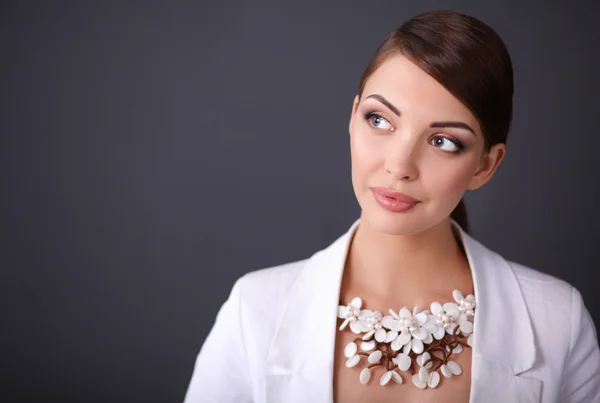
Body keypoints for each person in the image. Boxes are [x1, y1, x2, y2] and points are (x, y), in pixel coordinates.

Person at [183, 10, 600, 403]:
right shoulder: (255, 310)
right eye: (379, 120)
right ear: (352, 117)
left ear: (485, 165)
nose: (398, 166)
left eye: (443, 142)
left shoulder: (556, 320)